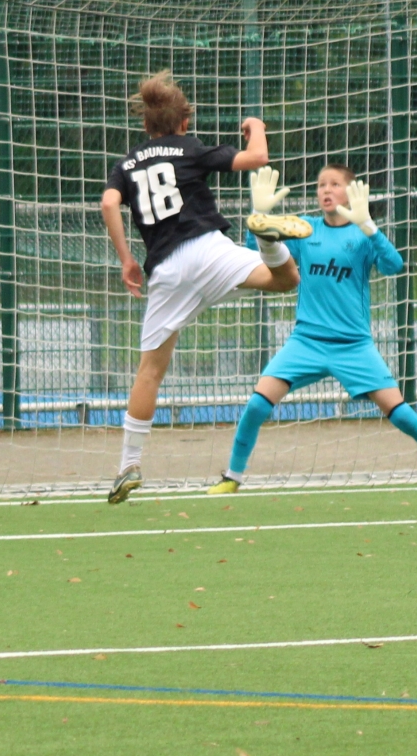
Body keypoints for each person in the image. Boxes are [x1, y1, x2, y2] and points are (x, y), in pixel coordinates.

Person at [100, 72, 303, 504]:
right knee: (286, 280)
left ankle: (128, 466)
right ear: (184, 122)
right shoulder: (190, 148)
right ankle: (268, 240)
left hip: (167, 271)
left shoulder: (126, 165)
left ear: (146, 124)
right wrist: (256, 126)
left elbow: (108, 202)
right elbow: (258, 157)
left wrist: (126, 259)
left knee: (150, 371)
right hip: (209, 252)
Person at [210, 163, 417, 492]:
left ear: (351, 193)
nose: (326, 190)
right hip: (306, 341)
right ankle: (233, 477)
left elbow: (394, 265)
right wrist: (258, 218)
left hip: (353, 346)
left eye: (334, 184)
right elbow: (254, 256)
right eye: (321, 185)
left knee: (400, 414)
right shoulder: (305, 230)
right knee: (258, 404)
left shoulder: (361, 234)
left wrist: (369, 226)